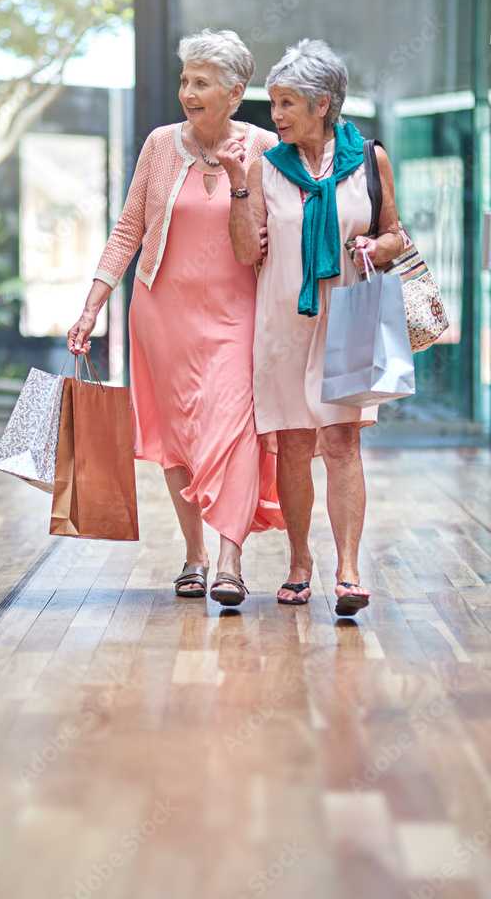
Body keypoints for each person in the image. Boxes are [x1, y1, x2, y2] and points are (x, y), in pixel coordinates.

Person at [67, 28, 284, 607]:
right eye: (185, 80)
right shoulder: (162, 144)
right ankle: (195, 554)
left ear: (235, 93)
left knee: (236, 427)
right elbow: (127, 229)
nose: (188, 91)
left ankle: (231, 559)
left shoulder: (263, 149)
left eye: (202, 82)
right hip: (161, 311)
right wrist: (93, 303)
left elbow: (266, 243)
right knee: (178, 436)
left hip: (238, 314)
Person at [219, 38, 403, 616]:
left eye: (286, 104)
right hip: (283, 323)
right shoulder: (264, 165)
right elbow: (248, 250)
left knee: (342, 442)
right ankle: (301, 562)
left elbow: (398, 235)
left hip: (348, 317)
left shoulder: (370, 159)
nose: (273, 118)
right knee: (294, 445)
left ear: (323, 103)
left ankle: (348, 571)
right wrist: (238, 186)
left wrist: (377, 243)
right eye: (272, 104)